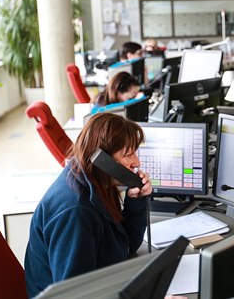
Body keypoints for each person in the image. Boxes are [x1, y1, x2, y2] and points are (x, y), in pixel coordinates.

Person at [24, 113, 153, 296]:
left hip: (104, 281)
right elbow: (75, 295)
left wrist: (136, 199)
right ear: (102, 160)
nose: (136, 162)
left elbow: (126, 246)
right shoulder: (75, 212)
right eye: (128, 154)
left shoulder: (98, 182)